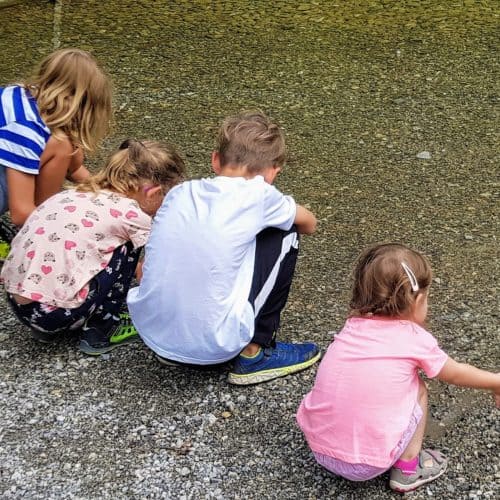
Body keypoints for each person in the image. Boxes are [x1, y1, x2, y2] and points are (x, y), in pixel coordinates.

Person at [127, 110, 321, 385]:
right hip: (213, 345)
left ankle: (177, 333)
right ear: (272, 172)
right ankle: (255, 353)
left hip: (154, 334)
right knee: (287, 230)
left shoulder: (181, 193)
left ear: (215, 160)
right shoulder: (260, 194)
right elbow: (309, 223)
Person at [297, 243, 500, 493]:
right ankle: (407, 470)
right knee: (418, 387)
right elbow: (454, 373)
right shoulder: (413, 338)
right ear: (419, 299)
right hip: (366, 465)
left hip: (320, 450)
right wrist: (495, 382)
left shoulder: (352, 326)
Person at [1, 139, 185, 355]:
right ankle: (103, 329)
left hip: (19, 303)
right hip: (54, 315)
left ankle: (48, 325)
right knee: (128, 246)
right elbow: (146, 272)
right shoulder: (132, 215)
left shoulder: (71, 195)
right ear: (153, 193)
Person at [0, 48, 112, 251]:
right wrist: (63, 236)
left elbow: (76, 169)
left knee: (65, 145)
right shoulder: (25, 130)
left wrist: (109, 193)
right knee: (63, 146)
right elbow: (21, 212)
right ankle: (45, 221)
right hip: (24, 210)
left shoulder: (21, 94)